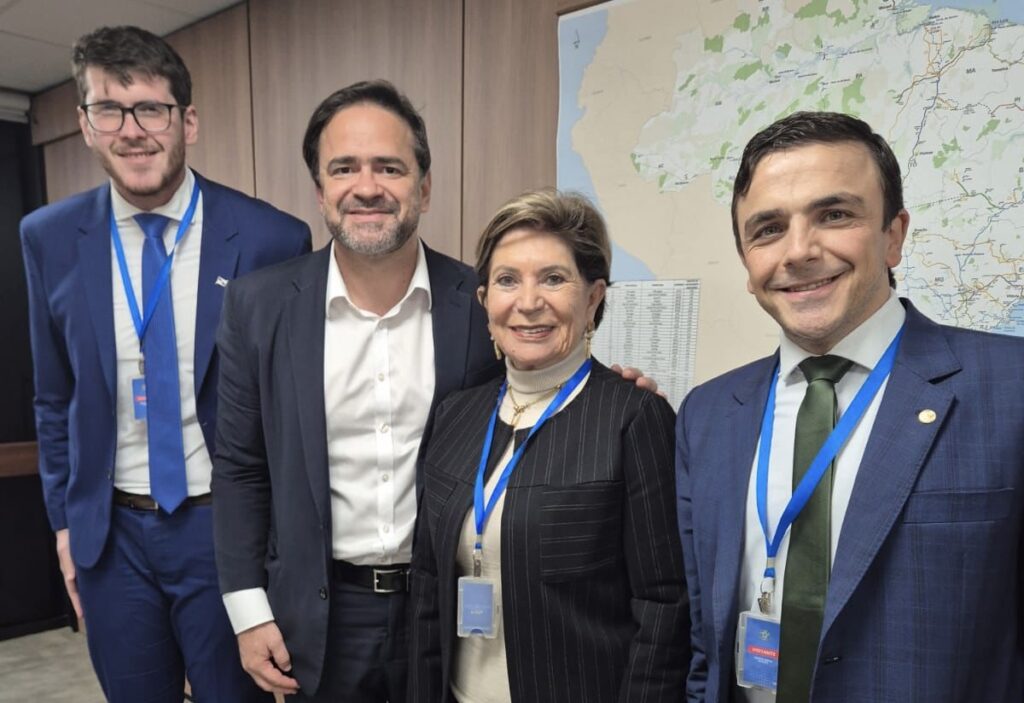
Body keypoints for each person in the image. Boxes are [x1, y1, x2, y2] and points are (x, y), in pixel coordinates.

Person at [675, 111, 1024, 702]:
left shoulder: (1010, 387)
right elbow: (704, 646)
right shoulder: (708, 415)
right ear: (746, 262)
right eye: (768, 229)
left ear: (893, 235)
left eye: (834, 215)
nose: (799, 251)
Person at [19, 25, 310, 703]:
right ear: (86, 125)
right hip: (111, 539)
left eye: (151, 108)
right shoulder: (49, 239)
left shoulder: (271, 238)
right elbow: (54, 398)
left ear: (188, 121)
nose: (132, 131)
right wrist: (64, 525)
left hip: (226, 530)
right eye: (108, 110)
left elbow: (293, 407)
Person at [211, 80, 503, 702]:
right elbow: (239, 467)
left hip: (447, 612)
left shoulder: (482, 305)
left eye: (389, 168)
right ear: (320, 191)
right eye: (343, 168)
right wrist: (248, 611)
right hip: (317, 618)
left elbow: (535, 406)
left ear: (424, 187)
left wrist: (609, 388)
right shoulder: (258, 307)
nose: (366, 187)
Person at [409, 189, 689, 702]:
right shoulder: (456, 415)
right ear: (485, 301)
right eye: (507, 280)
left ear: (593, 298)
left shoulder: (633, 418)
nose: (528, 302)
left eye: (554, 279)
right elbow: (428, 585)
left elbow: (663, 607)